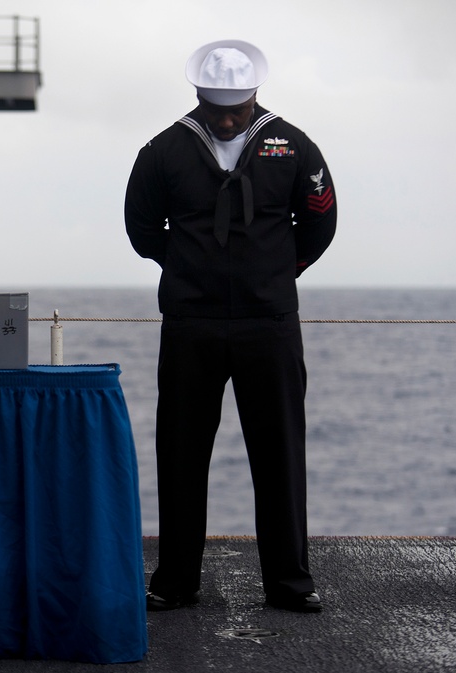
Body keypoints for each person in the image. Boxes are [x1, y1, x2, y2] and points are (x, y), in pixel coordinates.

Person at [124, 40, 337, 613]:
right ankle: (175, 582)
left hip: (269, 322)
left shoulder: (293, 145)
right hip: (190, 323)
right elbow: (141, 227)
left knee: (280, 454)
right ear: (198, 96)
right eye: (215, 109)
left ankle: (290, 583)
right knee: (181, 452)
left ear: (255, 96)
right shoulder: (163, 151)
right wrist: (188, 266)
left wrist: (277, 272)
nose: (225, 120)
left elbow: (320, 220)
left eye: (236, 109)